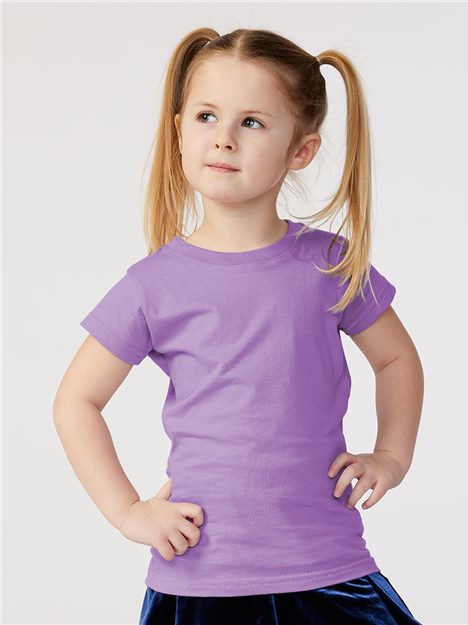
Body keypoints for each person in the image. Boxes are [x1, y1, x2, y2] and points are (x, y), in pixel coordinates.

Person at [53, 27, 425, 625]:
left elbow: (396, 358)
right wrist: (127, 512)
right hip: (200, 579)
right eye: (207, 116)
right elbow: (76, 400)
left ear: (300, 150)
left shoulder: (329, 265)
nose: (224, 137)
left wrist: (391, 455)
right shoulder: (153, 285)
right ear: (180, 130)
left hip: (328, 570)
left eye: (251, 122)